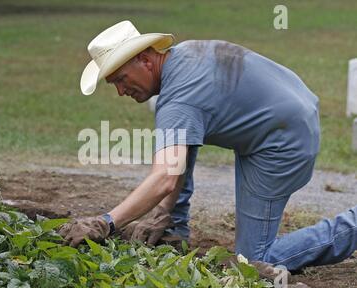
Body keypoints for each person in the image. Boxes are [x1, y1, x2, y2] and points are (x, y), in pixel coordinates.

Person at [60, 20, 357, 271]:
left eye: (121, 79)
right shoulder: (182, 58)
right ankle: (172, 229)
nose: (121, 91)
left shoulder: (179, 100)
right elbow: (178, 157)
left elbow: (165, 177)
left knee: (252, 263)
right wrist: (165, 215)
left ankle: (352, 225)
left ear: (146, 61)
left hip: (283, 142)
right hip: (288, 113)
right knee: (176, 139)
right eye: (113, 84)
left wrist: (106, 223)